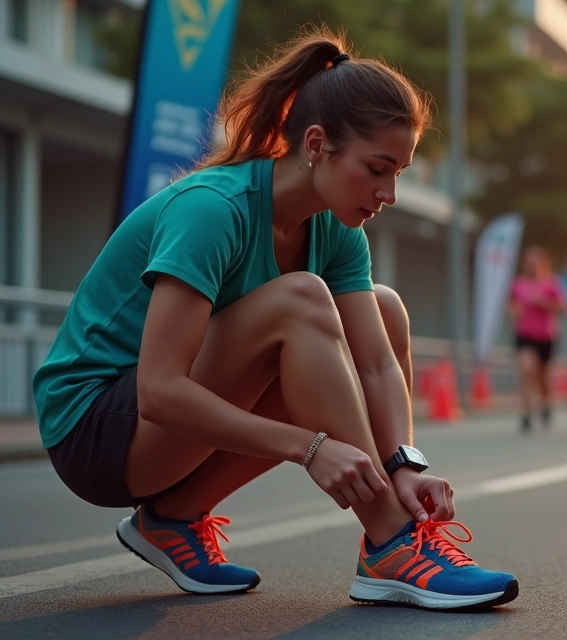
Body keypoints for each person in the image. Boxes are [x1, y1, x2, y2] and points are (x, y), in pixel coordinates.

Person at [30, 30, 517, 610]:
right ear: (317, 143)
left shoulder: (338, 228)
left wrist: (404, 466)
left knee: (381, 310)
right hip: (97, 429)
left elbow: (379, 363)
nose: (388, 192)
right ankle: (391, 543)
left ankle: (173, 520)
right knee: (303, 301)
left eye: (400, 173)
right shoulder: (213, 210)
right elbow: (160, 392)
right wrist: (308, 448)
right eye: (377, 168)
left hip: (162, 427)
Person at [508, 246, 567, 432]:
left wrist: (543, 303)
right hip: (524, 334)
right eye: (529, 263)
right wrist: (514, 311)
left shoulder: (552, 283)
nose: (532, 266)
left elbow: (563, 307)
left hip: (546, 336)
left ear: (543, 264)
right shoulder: (518, 284)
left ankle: (545, 404)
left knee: (542, 377)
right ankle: (526, 413)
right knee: (526, 370)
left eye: (535, 263)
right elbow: (511, 305)